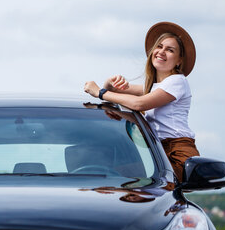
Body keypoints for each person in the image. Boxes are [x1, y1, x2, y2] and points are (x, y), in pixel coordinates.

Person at [84, 21, 199, 183]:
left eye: (170, 50)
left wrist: (101, 93)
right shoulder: (152, 87)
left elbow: (139, 104)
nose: (162, 51)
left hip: (177, 151)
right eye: (159, 46)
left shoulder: (177, 81)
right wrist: (110, 83)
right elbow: (119, 93)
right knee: (117, 177)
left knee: (157, 188)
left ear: (179, 60)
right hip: (156, 151)